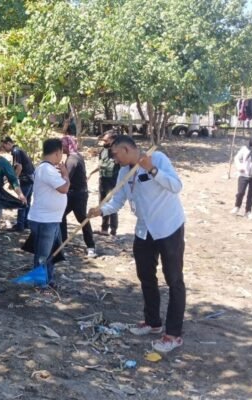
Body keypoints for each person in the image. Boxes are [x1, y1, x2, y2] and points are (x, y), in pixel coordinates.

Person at [88, 135, 186, 353]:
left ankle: (173, 334)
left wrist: (152, 170)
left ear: (126, 150)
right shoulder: (124, 172)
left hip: (168, 227)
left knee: (174, 280)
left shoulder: (157, 159)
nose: (113, 158)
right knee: (146, 276)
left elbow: (176, 186)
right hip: (144, 231)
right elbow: (118, 201)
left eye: (115, 154)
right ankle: (152, 322)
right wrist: (100, 210)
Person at [27, 138, 69, 288]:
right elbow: (64, 188)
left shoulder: (48, 169)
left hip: (51, 218)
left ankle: (48, 279)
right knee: (43, 254)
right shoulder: (46, 169)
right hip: (44, 220)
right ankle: (40, 283)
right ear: (58, 152)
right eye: (61, 153)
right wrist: (66, 174)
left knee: (51, 252)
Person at [60, 135, 96, 257]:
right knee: (61, 215)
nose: (61, 149)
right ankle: (63, 242)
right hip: (76, 192)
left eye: (62, 146)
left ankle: (91, 246)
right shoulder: (76, 156)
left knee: (82, 219)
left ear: (66, 146)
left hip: (78, 194)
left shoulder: (72, 160)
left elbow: (66, 178)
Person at [88, 131, 120, 236]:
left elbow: (116, 164)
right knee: (102, 203)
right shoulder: (103, 150)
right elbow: (100, 164)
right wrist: (91, 173)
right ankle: (104, 228)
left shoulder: (116, 151)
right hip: (103, 179)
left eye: (106, 140)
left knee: (112, 204)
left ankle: (113, 229)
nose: (104, 142)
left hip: (113, 180)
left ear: (112, 140)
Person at [1, 136, 35, 231]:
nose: (4, 149)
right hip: (30, 178)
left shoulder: (16, 151)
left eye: (4, 146)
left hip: (26, 179)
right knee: (27, 201)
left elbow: (19, 167)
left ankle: (20, 225)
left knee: (22, 201)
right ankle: (26, 223)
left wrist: (13, 181)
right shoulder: (18, 150)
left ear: (9, 143)